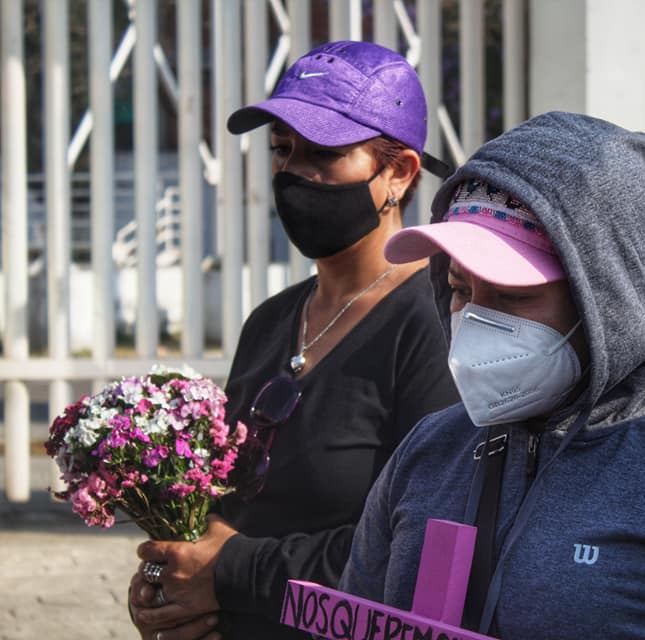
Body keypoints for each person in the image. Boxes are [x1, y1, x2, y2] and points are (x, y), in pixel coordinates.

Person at [339, 111, 645, 638]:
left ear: (608, 298)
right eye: (462, 291)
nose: (475, 323)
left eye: (513, 296)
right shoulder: (429, 453)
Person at [127, 41, 459, 640]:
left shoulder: (435, 324)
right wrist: (173, 582)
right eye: (282, 150)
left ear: (400, 172)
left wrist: (229, 572)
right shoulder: (270, 322)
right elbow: (224, 510)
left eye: (325, 155)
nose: (294, 176)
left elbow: (418, 548)